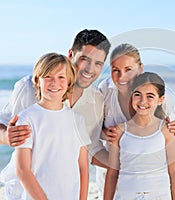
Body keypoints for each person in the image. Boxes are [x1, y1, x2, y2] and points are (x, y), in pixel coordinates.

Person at [0, 29, 111, 166]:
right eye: (84, 59)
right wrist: (6, 136)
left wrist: (130, 167)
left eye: (98, 63)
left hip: (65, 185)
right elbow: (3, 125)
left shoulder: (96, 99)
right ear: (70, 54)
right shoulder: (29, 87)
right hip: (24, 184)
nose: (90, 69)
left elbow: (92, 150)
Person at [2, 53, 91, 199]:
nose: (54, 83)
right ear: (37, 81)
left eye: (61, 77)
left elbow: (83, 166)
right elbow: (23, 170)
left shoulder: (77, 119)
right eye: (48, 76)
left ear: (69, 82)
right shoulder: (27, 118)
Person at [97, 43, 175, 198]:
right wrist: (105, 133)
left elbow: (168, 131)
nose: (122, 77)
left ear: (140, 68)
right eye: (116, 70)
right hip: (115, 178)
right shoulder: (105, 91)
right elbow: (91, 130)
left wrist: (173, 128)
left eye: (128, 69)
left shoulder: (163, 97)